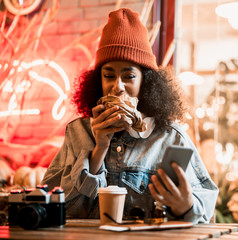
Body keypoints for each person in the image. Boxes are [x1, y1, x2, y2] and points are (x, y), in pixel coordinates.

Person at [41, 8, 218, 224]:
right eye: (108, 75)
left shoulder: (171, 138)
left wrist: (187, 206)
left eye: (129, 76)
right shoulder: (78, 132)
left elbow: (206, 211)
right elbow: (56, 209)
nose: (117, 87)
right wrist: (98, 151)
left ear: (146, 82)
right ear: (98, 81)